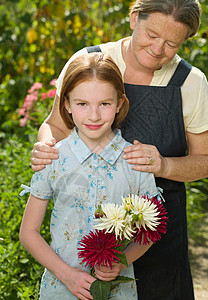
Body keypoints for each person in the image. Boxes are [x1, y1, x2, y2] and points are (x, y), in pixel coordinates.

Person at [29, 0, 208, 299]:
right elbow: (55, 125)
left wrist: (164, 166)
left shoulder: (191, 82)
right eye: (152, 35)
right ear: (133, 19)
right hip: (84, 232)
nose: (158, 49)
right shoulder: (89, 61)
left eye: (172, 43)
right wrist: (47, 147)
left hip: (155, 229)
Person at [20, 52, 164, 300]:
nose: (94, 115)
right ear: (66, 104)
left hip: (118, 291)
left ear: (119, 103)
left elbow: (151, 230)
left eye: (105, 104)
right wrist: (67, 275)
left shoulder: (136, 161)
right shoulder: (53, 159)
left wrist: (121, 262)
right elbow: (28, 232)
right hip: (60, 288)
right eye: (82, 104)